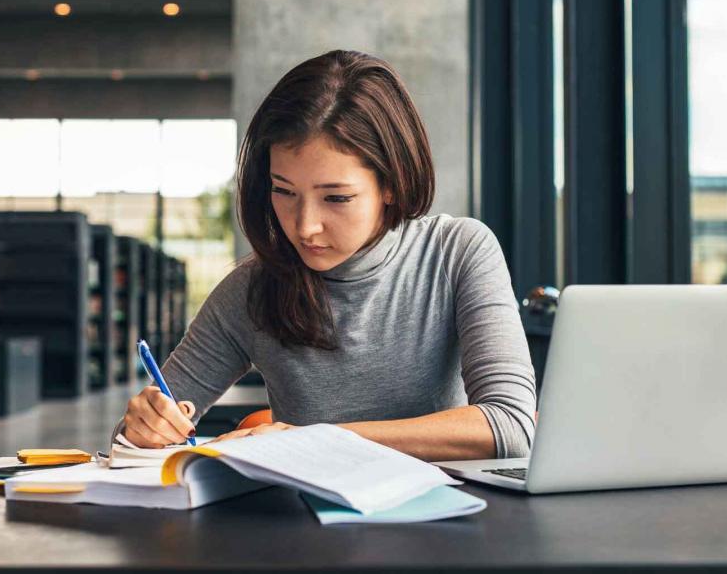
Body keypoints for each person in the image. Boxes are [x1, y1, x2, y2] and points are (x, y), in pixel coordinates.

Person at [119, 49, 536, 461]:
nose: (304, 226)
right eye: (284, 191)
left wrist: (311, 439)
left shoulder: (456, 252)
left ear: (391, 183)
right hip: (308, 523)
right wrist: (142, 429)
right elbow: (131, 443)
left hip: (447, 520)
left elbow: (510, 426)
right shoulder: (250, 289)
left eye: (336, 197)